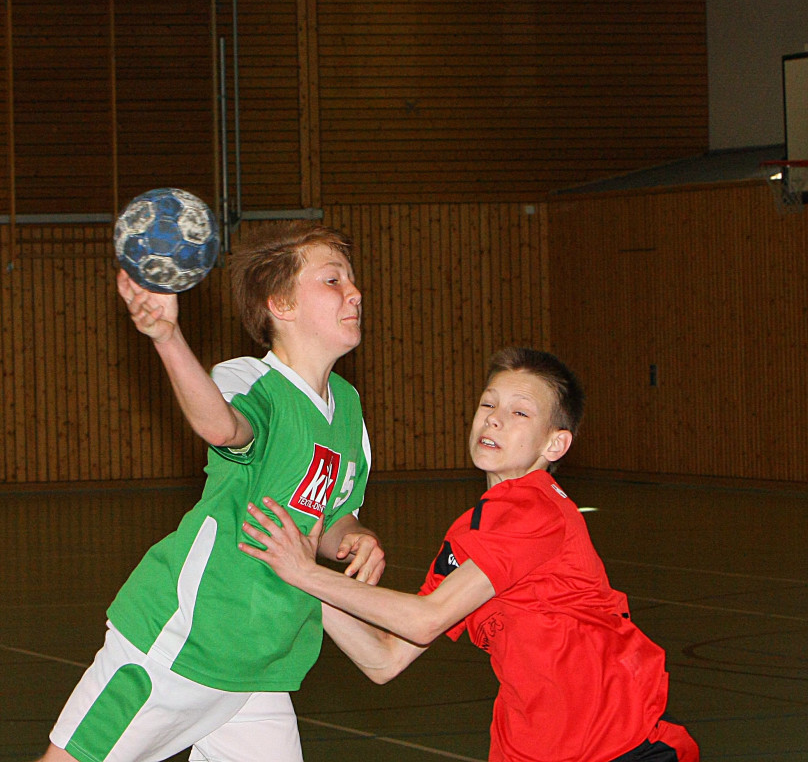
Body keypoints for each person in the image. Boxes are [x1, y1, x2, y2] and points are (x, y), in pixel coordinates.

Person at [239, 347, 700, 762]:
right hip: (528, 748)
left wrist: (307, 574)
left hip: (619, 747)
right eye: (488, 404)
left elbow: (425, 619)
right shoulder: (469, 533)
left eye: (519, 412)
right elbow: (385, 659)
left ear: (554, 444)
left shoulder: (537, 509)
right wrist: (299, 574)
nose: (494, 419)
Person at [40, 220, 385, 762]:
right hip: (183, 643)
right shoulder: (251, 380)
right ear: (281, 305)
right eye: (332, 279)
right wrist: (167, 337)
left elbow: (330, 515)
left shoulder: (349, 409)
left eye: (351, 279)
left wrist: (353, 537)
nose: (354, 292)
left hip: (261, 663)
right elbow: (223, 427)